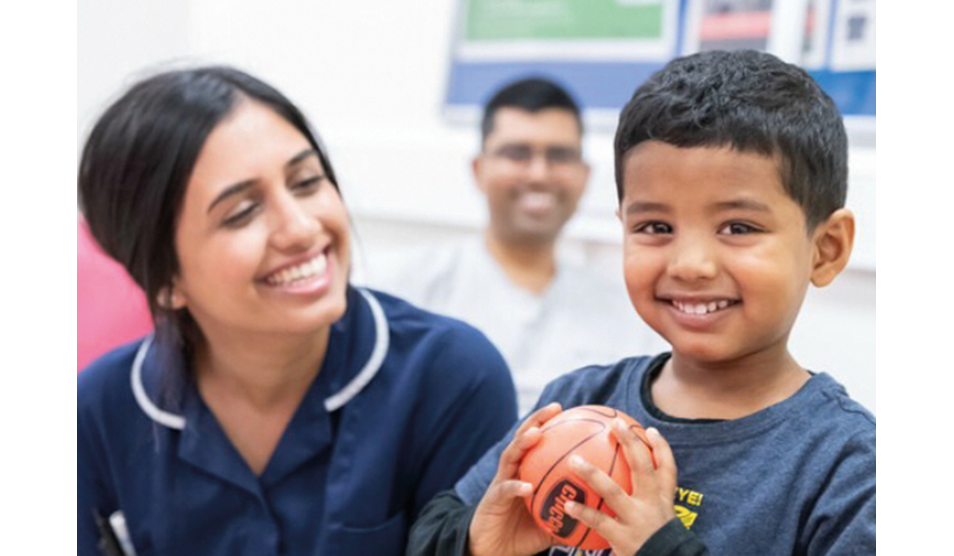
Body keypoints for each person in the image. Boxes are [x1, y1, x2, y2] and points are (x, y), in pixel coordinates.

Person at [406, 50, 876, 556]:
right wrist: (478, 541)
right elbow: (434, 527)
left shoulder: (847, 467)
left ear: (826, 249)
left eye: (738, 228)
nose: (690, 264)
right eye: (656, 227)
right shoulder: (579, 399)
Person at [76, 66, 518, 556]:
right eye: (242, 212)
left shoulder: (451, 378)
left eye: (306, 181)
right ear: (165, 283)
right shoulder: (98, 412)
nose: (303, 228)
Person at [367, 77, 666, 414]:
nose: (539, 174)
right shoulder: (400, 288)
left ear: (584, 176)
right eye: (517, 154)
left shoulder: (629, 314)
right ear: (479, 170)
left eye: (559, 156)